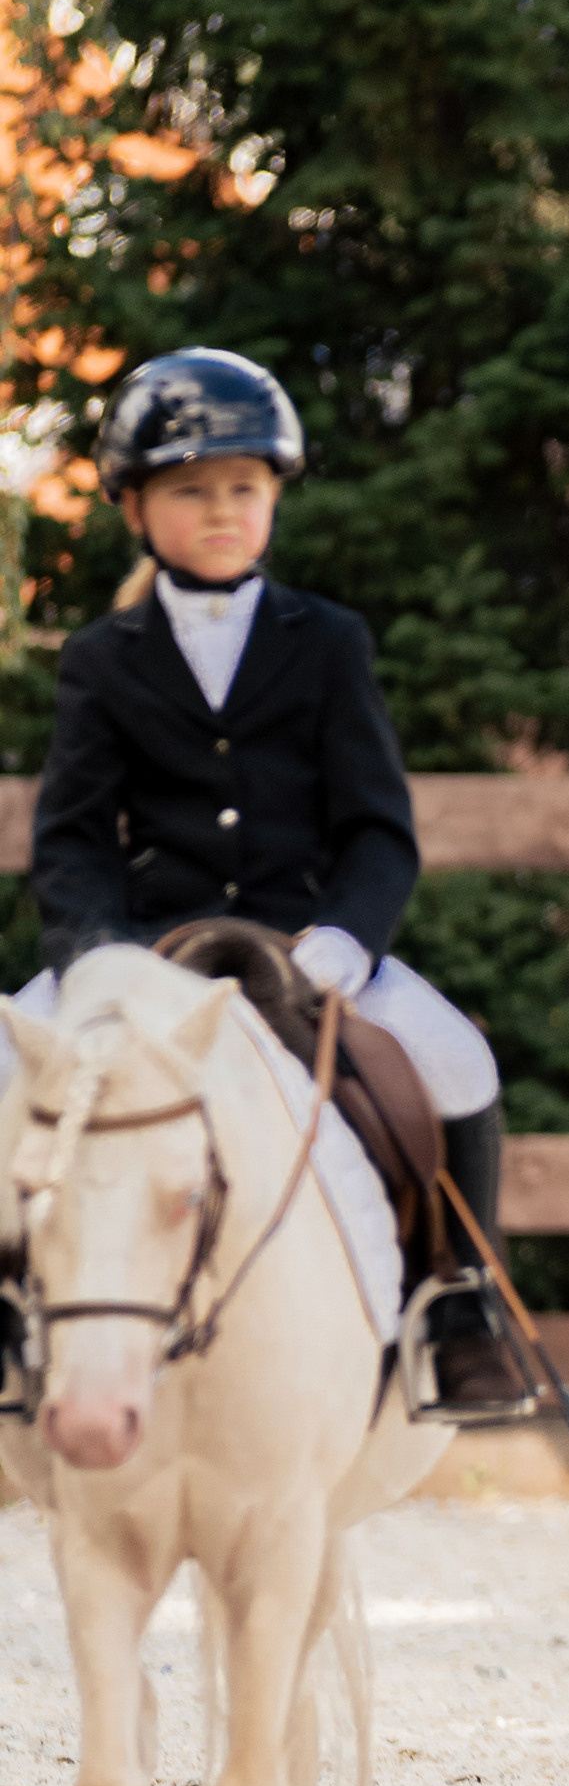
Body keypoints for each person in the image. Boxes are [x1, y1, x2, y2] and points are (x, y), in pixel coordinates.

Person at [17, 347, 518, 1416]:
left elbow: (378, 831)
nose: (220, 511)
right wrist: (97, 957)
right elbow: (71, 842)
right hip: (146, 952)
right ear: (134, 508)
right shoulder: (103, 656)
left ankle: (463, 1309)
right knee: (6, 1061)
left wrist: (345, 939)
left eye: (242, 488)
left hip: (307, 946)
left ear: (274, 497)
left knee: (457, 1060)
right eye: (190, 491)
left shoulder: (327, 641)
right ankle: (14, 1309)